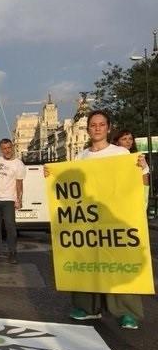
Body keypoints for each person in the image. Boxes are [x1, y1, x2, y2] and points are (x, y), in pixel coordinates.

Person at [57, 110, 147, 330]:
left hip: (114, 219)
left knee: (119, 263)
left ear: (108, 128)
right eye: (93, 125)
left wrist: (140, 167)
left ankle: (126, 311)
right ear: (88, 129)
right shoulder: (81, 157)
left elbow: (140, 181)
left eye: (101, 125)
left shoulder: (121, 154)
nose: (97, 128)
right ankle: (87, 308)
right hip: (88, 221)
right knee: (87, 263)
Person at [0, 138, 26, 264]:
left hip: (8, 200)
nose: (7, 151)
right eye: (4, 148)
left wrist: (19, 200)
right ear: (1, 150)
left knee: (10, 227)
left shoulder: (18, 164)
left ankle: (12, 253)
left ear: (12, 147)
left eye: (9, 148)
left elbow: (19, 184)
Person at [113, 129, 150, 203]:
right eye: (124, 139)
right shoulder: (112, 158)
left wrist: (144, 168)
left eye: (130, 139)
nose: (128, 141)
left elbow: (145, 183)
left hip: (136, 197)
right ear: (117, 142)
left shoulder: (139, 157)